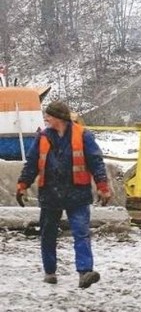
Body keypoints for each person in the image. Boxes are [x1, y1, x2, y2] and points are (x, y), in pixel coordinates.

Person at [15, 100, 111, 288]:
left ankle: (85, 272)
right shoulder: (42, 137)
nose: (45, 118)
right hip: (50, 194)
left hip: (77, 193)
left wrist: (103, 186)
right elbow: (32, 163)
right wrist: (22, 184)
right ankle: (50, 271)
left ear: (58, 118)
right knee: (48, 233)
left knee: (81, 232)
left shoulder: (83, 135)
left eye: (48, 116)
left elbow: (96, 162)